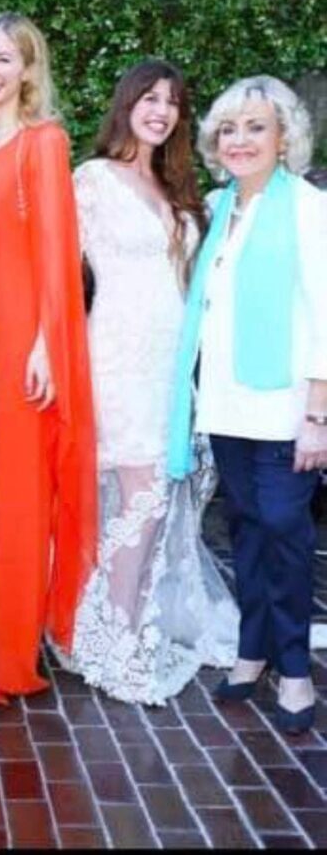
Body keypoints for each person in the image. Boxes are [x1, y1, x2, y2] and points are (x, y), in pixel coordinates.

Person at [53, 60, 238, 705]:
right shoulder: (92, 180)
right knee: (144, 497)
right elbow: (57, 275)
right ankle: (116, 637)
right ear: (126, 104)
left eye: (173, 101)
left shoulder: (177, 188)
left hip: (171, 365)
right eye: (149, 98)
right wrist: (46, 351)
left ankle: (104, 625)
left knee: (152, 497)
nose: (160, 110)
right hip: (115, 356)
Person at [169, 75, 327, 735]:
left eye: (255, 127)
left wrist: (318, 414)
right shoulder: (217, 206)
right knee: (247, 529)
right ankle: (252, 650)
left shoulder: (310, 209)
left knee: (286, 531)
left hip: (288, 407)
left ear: (283, 137)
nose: (240, 140)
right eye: (228, 129)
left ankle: (293, 668)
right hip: (227, 403)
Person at [0, 12, 97, 698]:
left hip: (23, 338)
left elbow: (56, 249)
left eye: (3, 60)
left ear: (27, 70)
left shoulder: (44, 142)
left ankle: (11, 655)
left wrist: (47, 343)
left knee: (20, 493)